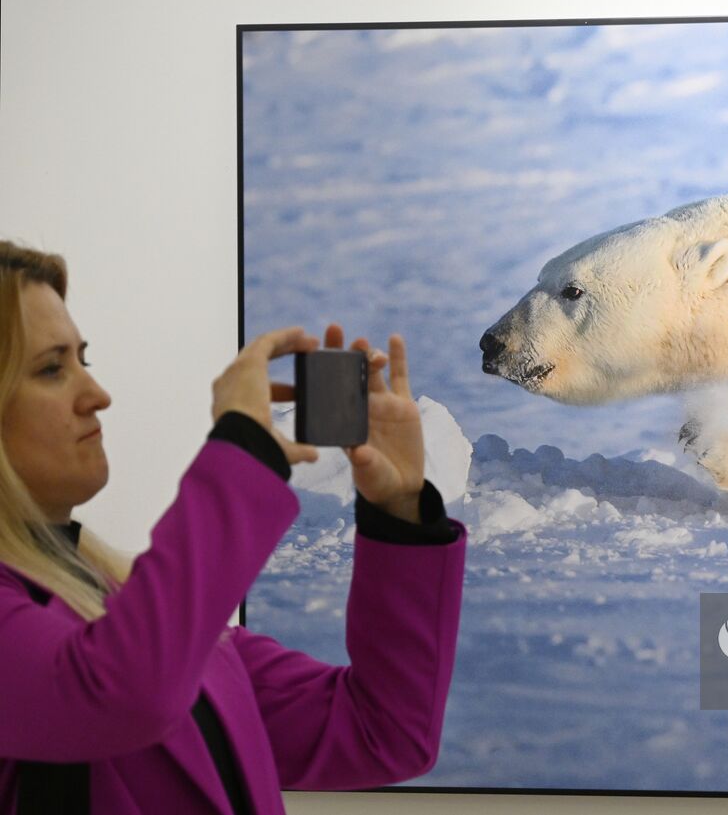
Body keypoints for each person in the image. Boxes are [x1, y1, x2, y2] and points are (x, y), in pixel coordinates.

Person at [0, 240, 467, 814]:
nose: (97, 394)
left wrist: (399, 513)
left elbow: (385, 732)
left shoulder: (132, 609)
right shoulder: (118, 638)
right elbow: (122, 693)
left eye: (83, 361)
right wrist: (241, 450)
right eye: (52, 368)